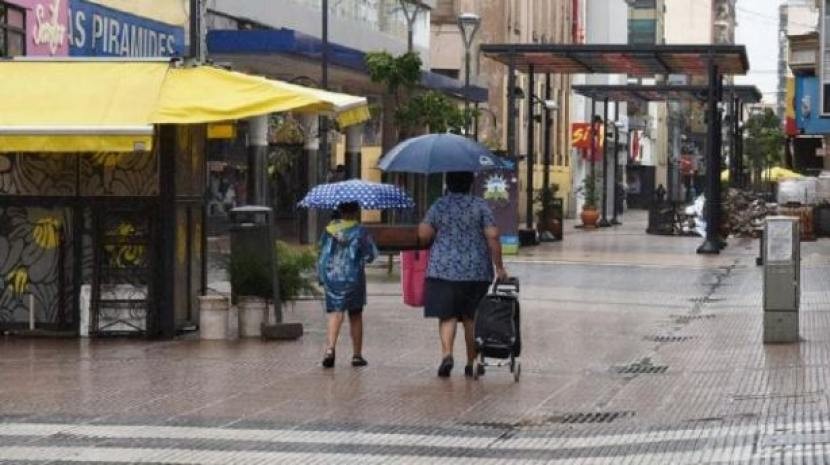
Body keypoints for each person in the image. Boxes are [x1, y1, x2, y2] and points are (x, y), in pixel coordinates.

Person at [417, 171, 508, 378]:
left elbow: (423, 234)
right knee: (471, 318)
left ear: (448, 184)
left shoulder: (440, 205)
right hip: (475, 271)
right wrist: (499, 267)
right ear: (470, 185)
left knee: (447, 315)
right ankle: (471, 362)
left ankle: (447, 354)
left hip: (443, 269)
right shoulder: (480, 205)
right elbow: (493, 236)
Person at [317, 202, 378, 368]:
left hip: (333, 276)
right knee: (355, 315)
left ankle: (330, 349)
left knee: (335, 313)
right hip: (354, 278)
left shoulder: (330, 230)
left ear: (341, 212)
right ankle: (357, 355)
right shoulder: (360, 232)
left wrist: (321, 275)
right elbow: (371, 255)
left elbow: (321, 251)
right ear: (356, 212)